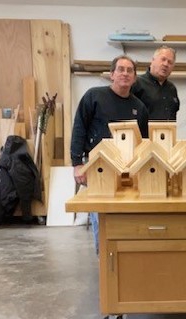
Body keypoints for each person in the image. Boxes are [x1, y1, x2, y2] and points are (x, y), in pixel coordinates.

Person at [71, 55, 149, 254]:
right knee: (101, 216)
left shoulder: (139, 108)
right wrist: (77, 163)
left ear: (134, 77)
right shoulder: (93, 96)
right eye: (120, 70)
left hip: (128, 168)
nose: (125, 74)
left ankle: (124, 259)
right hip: (99, 167)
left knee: (126, 217)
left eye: (129, 70)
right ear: (112, 74)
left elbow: (143, 143)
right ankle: (105, 261)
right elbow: (79, 128)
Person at [132, 45, 180, 121]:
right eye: (163, 59)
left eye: (170, 62)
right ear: (153, 60)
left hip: (168, 132)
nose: (166, 64)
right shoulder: (136, 84)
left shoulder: (172, 88)